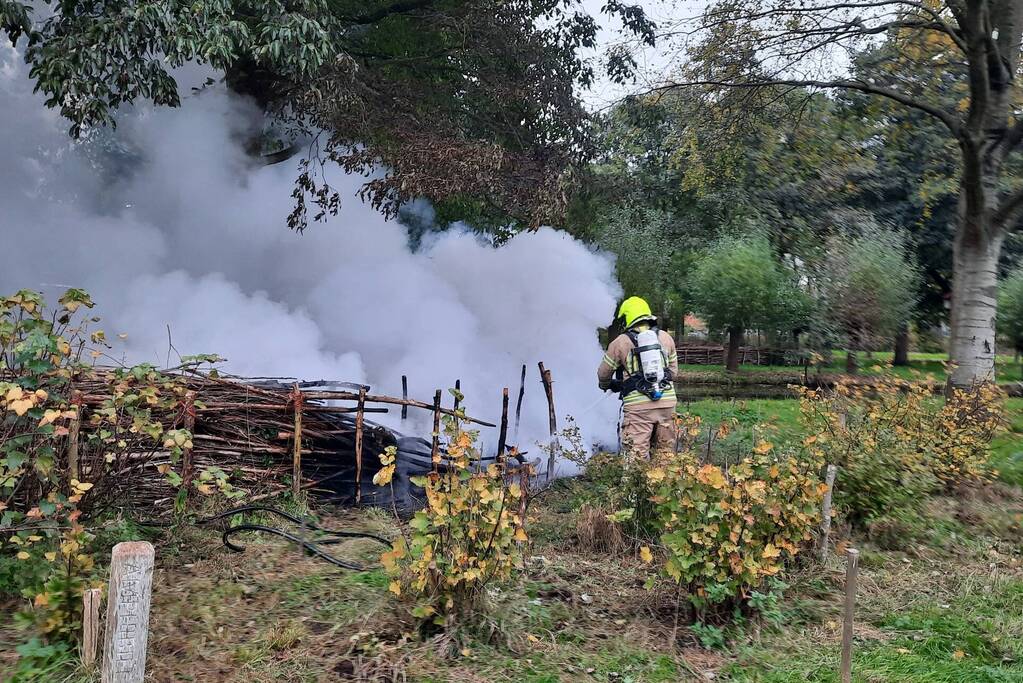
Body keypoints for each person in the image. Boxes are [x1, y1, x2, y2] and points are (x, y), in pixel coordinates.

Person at [597, 296, 678, 458]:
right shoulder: (666, 338)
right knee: (665, 455)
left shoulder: (620, 342)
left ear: (628, 318)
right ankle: (666, 483)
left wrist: (607, 385)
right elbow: (673, 373)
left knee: (635, 458)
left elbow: (603, 373)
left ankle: (636, 484)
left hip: (638, 409)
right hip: (667, 404)